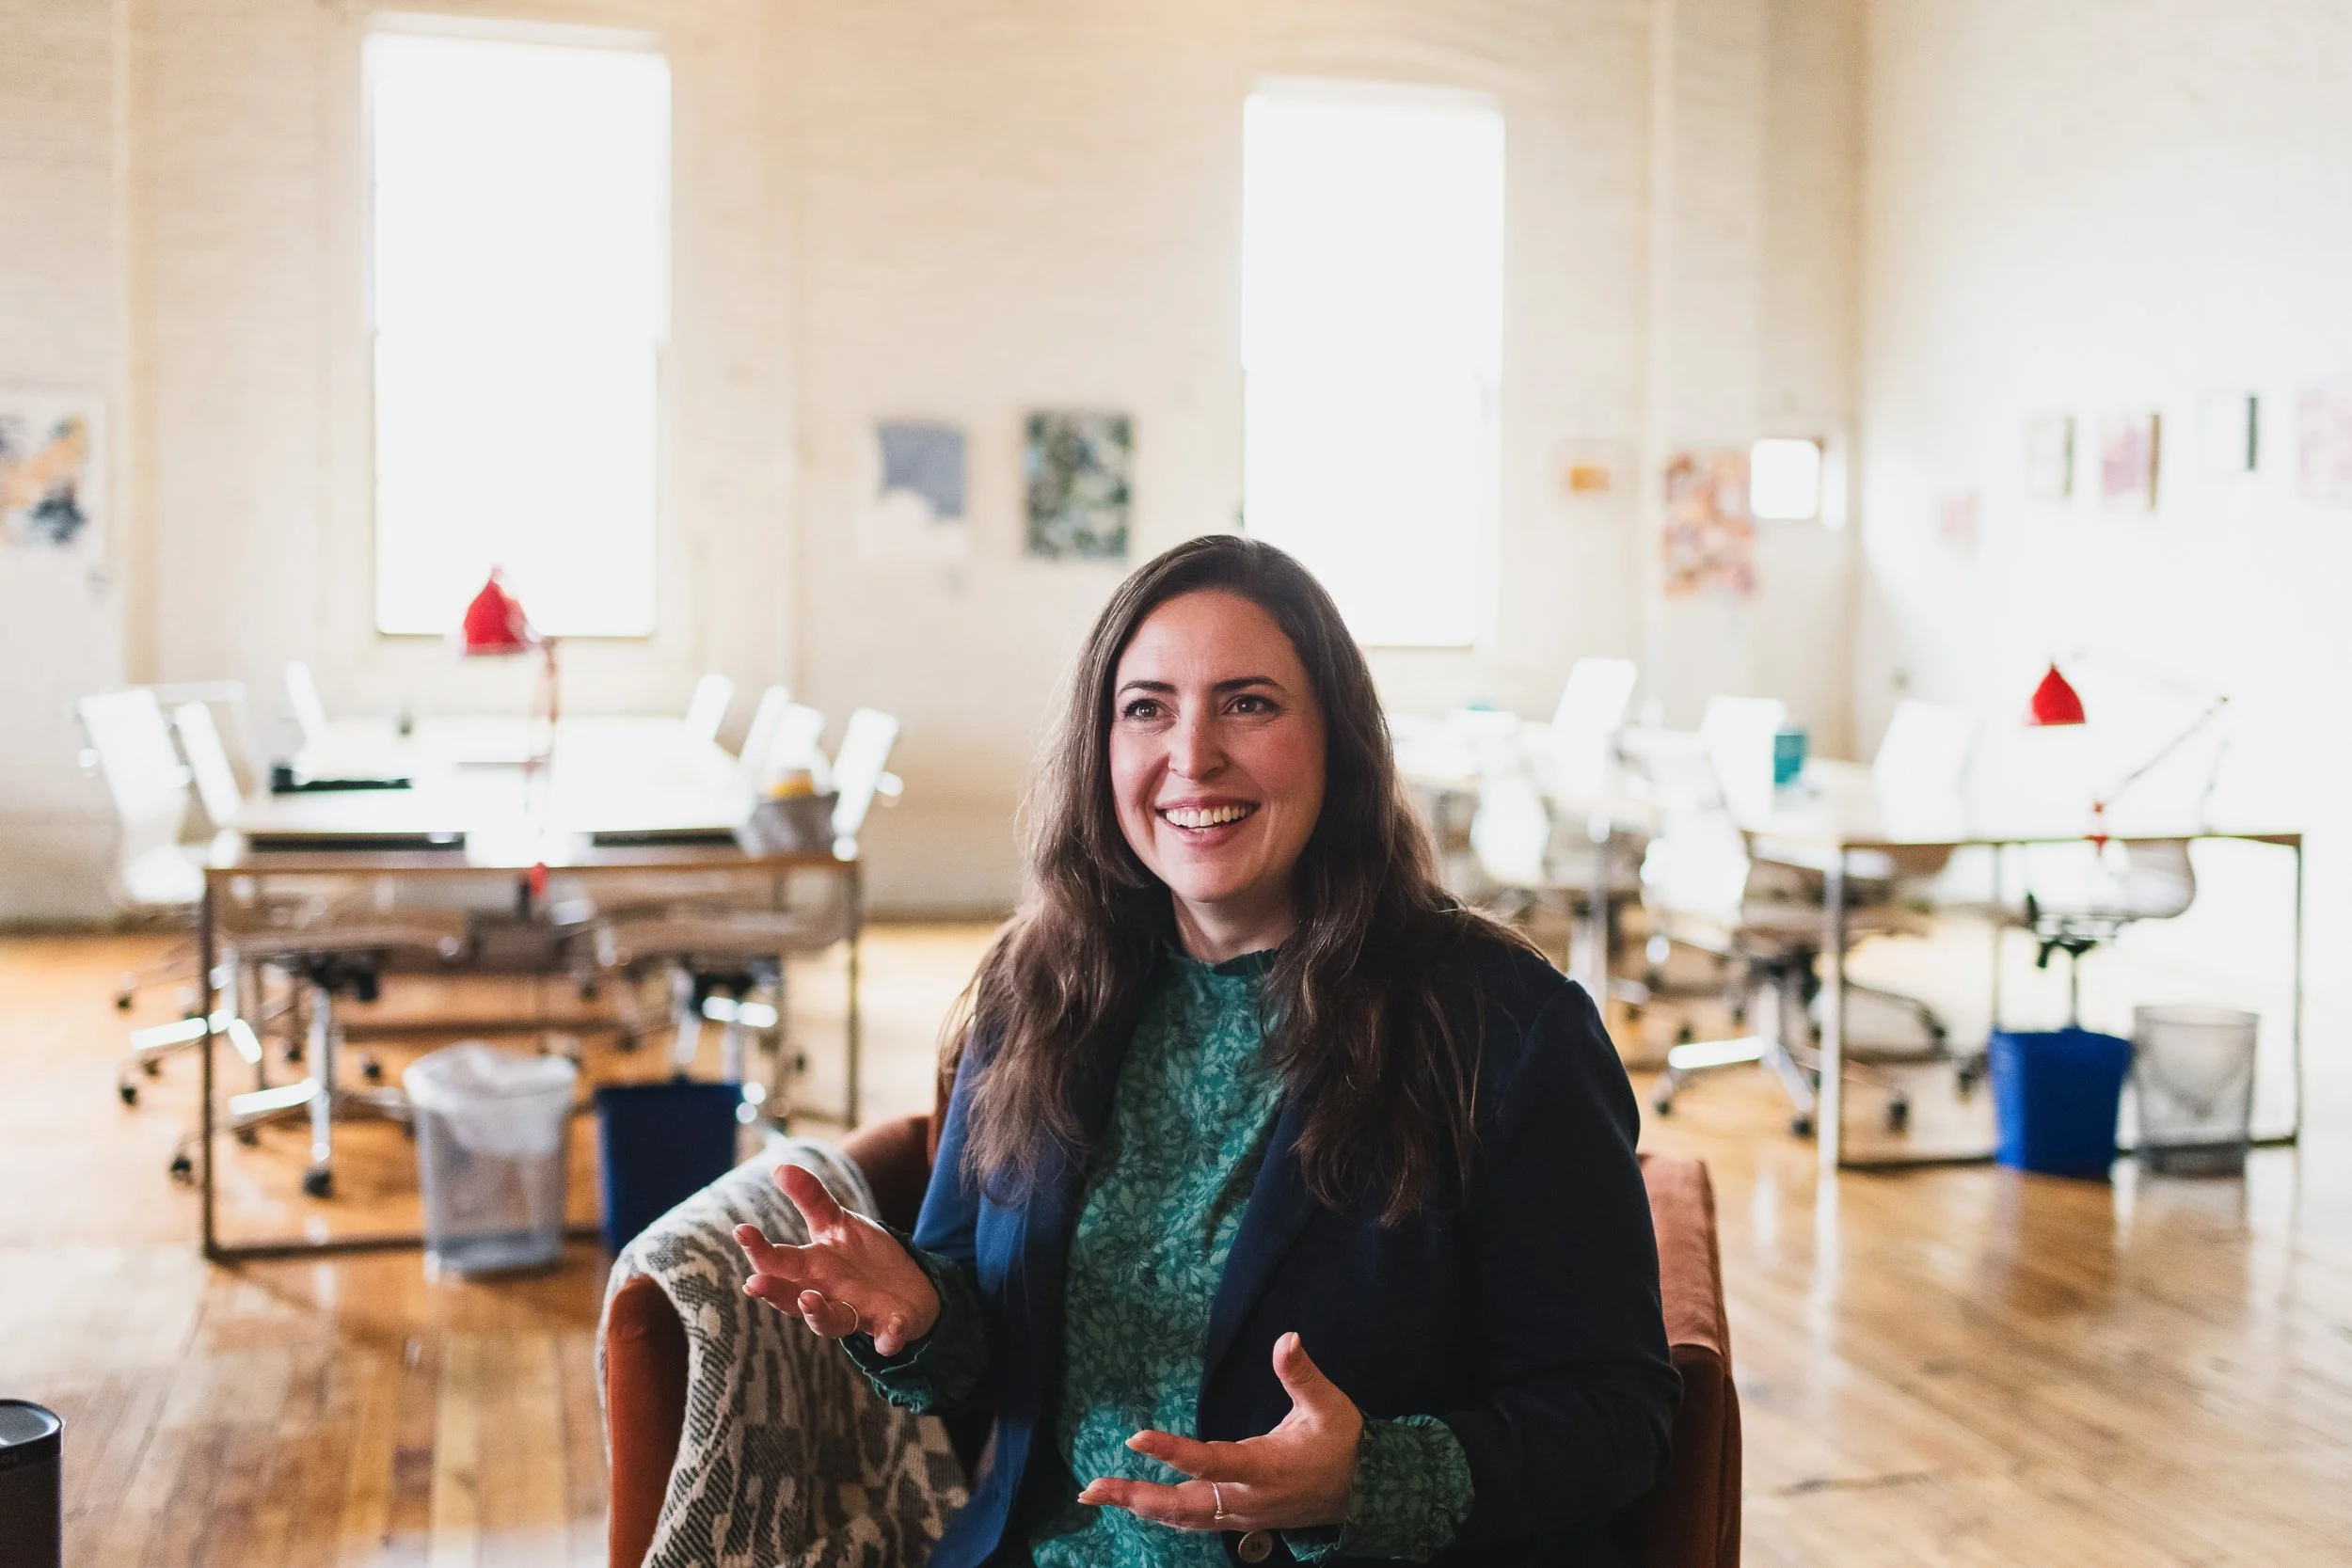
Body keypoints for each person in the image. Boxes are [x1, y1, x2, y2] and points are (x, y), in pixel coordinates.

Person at [735, 536, 1677, 1566]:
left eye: (1249, 703)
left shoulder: (1505, 1023)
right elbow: (977, 1322)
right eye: (1146, 707)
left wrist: (1365, 1480)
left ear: (1337, 742)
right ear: (1101, 747)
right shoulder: (1039, 986)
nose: (1191, 755)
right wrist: (918, 1313)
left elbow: (1612, 1414)